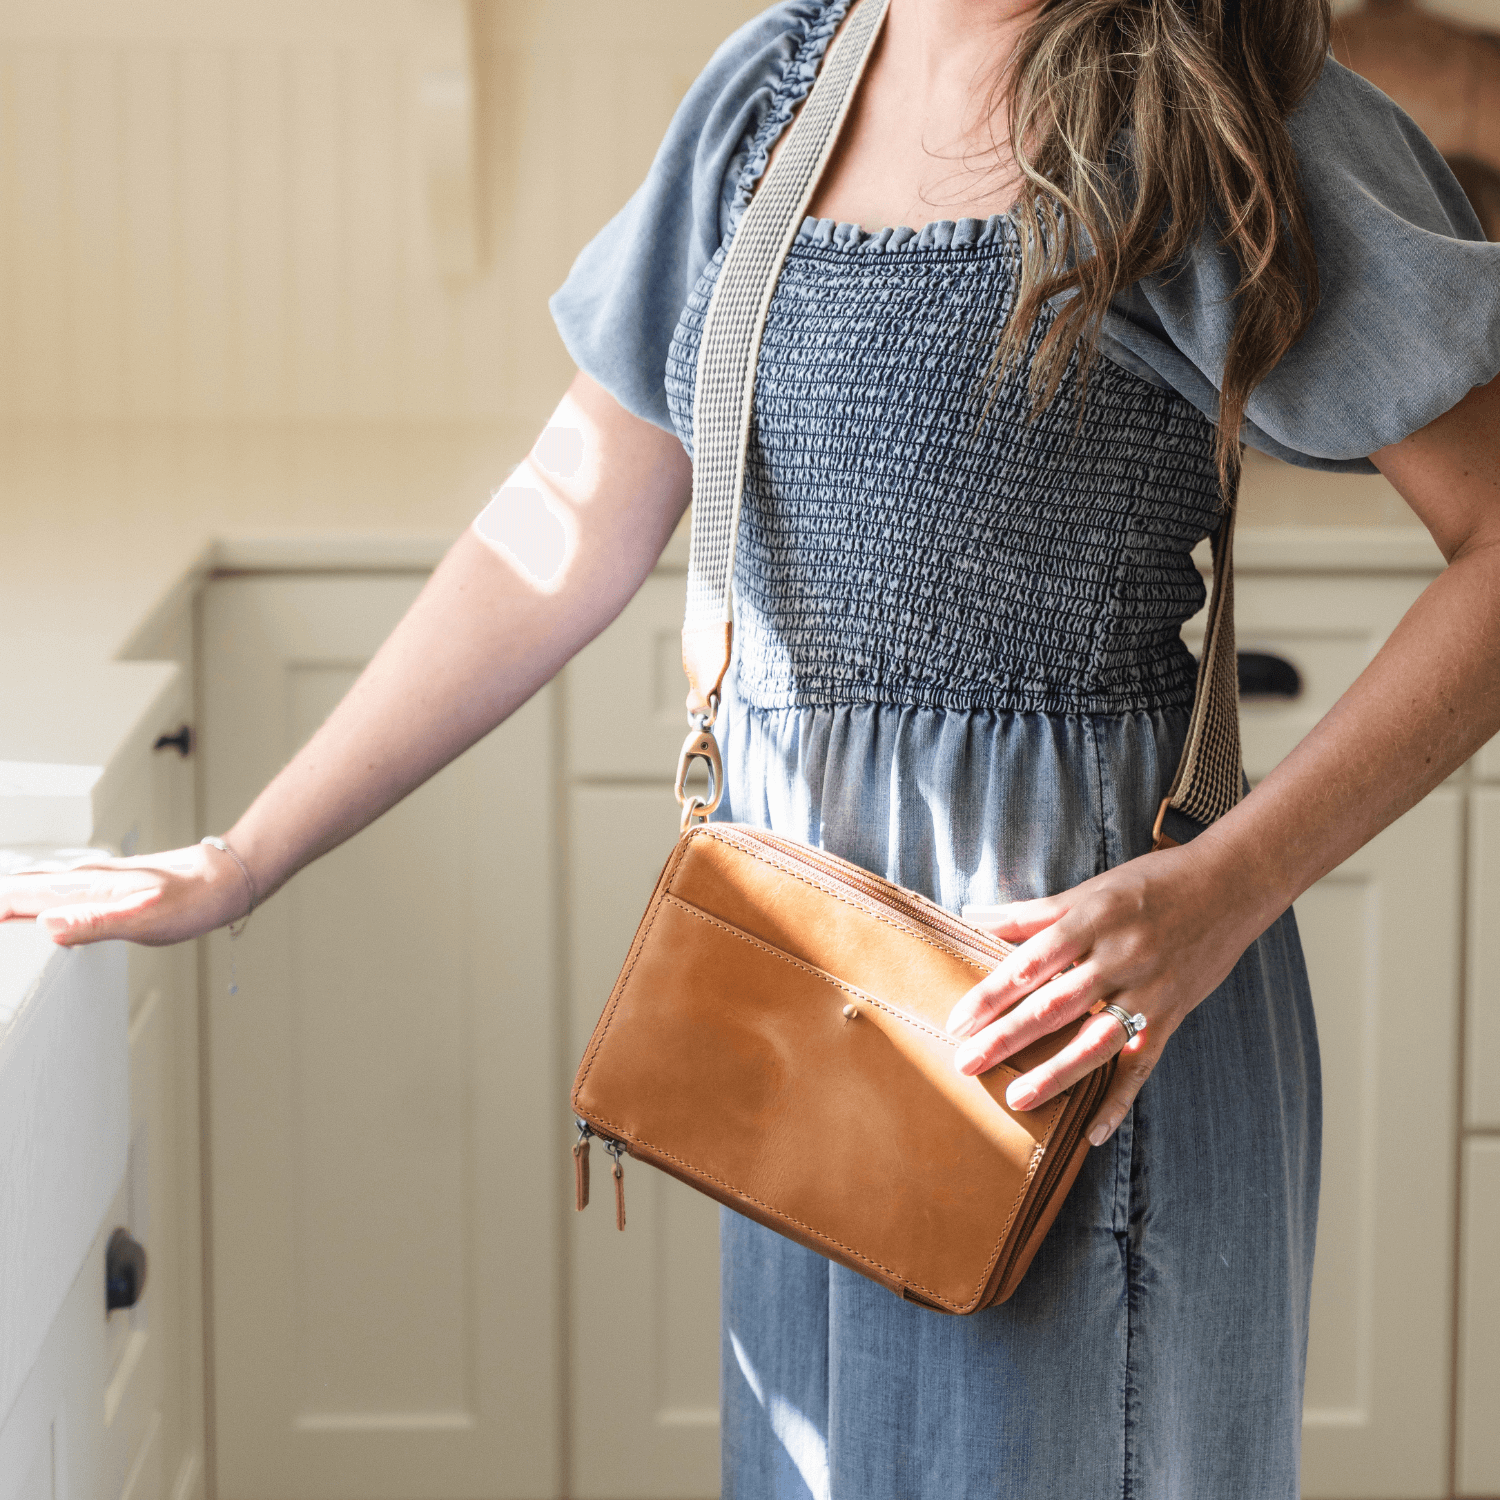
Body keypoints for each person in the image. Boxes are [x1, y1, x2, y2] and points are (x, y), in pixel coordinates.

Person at [5, 0, 1500, 1494]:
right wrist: (244, 854)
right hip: (819, 1049)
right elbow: (568, 519)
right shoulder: (772, 98)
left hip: (1067, 1040)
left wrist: (1225, 892)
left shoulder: (1223, 104)